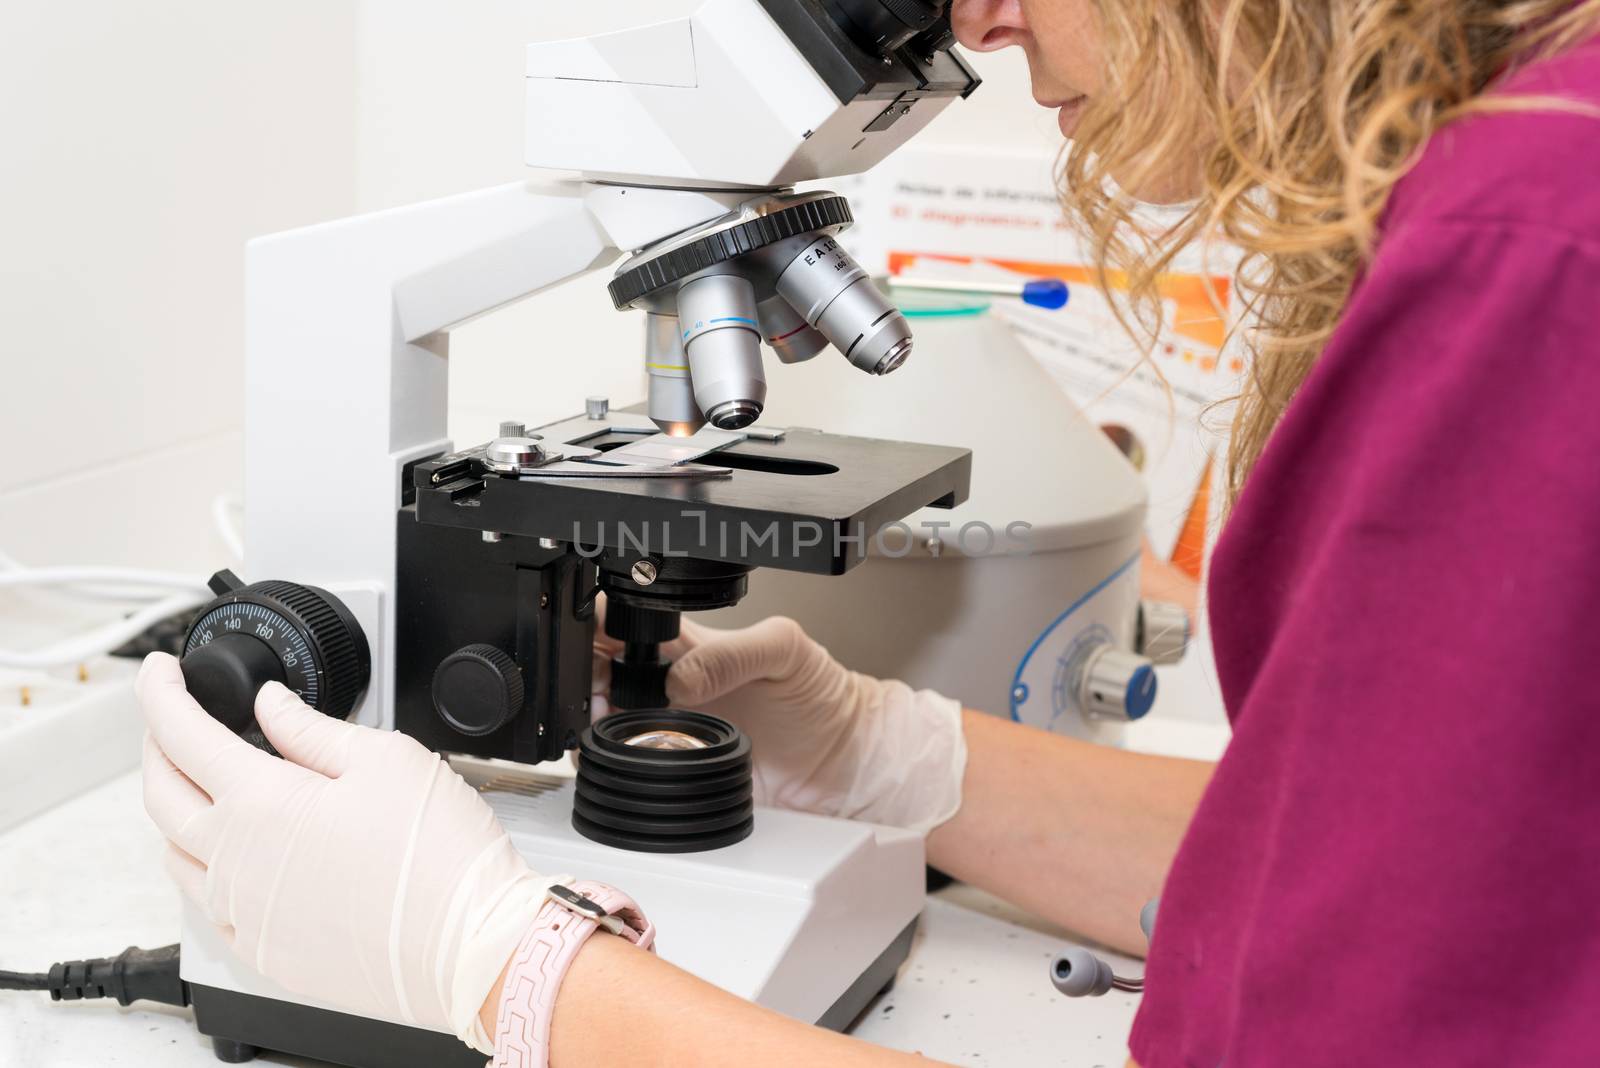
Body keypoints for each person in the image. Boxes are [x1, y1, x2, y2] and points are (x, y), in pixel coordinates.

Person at [137, 1, 1600, 1065]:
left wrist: (507, 971)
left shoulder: (1525, 257)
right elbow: (1382, 881)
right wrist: (892, 758)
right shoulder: (1534, 171)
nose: (986, 16)